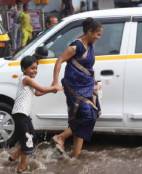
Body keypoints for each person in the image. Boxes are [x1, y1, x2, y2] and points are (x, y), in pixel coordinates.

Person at [51, 17, 102, 158]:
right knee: (87, 115)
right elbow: (59, 60)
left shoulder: (90, 45)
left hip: (87, 85)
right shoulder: (76, 46)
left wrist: (94, 84)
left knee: (89, 114)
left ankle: (74, 156)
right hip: (73, 86)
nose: (99, 37)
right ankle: (60, 137)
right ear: (90, 32)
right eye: (98, 34)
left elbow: (88, 67)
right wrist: (55, 82)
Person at [8, 56, 59, 173]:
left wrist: (51, 89)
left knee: (32, 137)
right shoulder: (26, 79)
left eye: (36, 68)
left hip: (24, 115)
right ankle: (21, 169)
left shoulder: (27, 80)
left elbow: (38, 92)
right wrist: (54, 87)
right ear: (24, 69)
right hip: (20, 115)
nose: (35, 71)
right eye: (32, 68)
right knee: (28, 143)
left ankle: (13, 157)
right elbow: (41, 88)